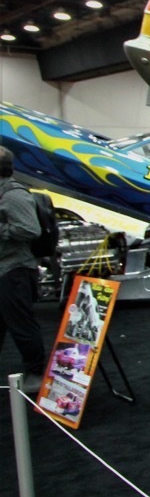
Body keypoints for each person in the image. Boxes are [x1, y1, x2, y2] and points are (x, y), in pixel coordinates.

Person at [0, 146, 47, 393]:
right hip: (5, 269)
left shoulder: (13, 195)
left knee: (22, 326)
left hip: (14, 270)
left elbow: (30, 230)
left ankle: (36, 372)